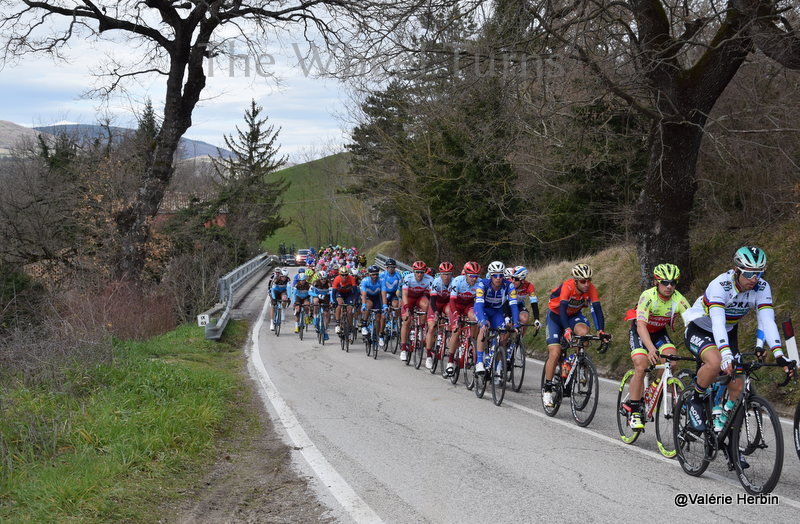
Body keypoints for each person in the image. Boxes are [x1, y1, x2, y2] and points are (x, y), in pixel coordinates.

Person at [682, 246, 795, 434]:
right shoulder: (720, 285)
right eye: (749, 273)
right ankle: (696, 399)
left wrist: (779, 354)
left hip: (728, 330)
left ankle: (727, 434)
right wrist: (725, 354)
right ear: (737, 270)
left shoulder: (762, 287)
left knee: (739, 380)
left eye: (759, 273)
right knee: (716, 362)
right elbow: (717, 321)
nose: (754, 279)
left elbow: (767, 321)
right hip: (701, 328)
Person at [622, 263, 690, 430]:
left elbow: (692, 321)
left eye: (673, 283)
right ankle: (635, 409)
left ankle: (654, 386)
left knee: (672, 361)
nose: (669, 286)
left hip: (659, 332)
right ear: (656, 282)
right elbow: (641, 326)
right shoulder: (647, 296)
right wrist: (651, 349)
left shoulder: (678, 299)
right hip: (640, 331)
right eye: (665, 282)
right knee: (641, 365)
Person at [542, 263, 608, 407]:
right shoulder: (568, 286)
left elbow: (597, 309)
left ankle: (579, 364)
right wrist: (566, 329)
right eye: (583, 281)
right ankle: (547, 390)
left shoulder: (590, 288)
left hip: (573, 316)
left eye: (588, 280)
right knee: (555, 352)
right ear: (576, 280)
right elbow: (562, 309)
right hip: (556, 316)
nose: (586, 284)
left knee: (584, 334)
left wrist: (600, 330)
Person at [474, 261, 519, 374]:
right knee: (483, 329)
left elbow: (513, 305)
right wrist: (482, 320)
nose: (498, 278)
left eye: (500, 275)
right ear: (490, 275)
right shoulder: (482, 284)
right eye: (495, 275)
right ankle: (479, 361)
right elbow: (479, 304)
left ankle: (497, 365)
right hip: (484, 309)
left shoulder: (509, 285)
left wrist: (516, 323)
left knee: (503, 336)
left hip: (497, 312)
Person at [445, 261, 482, 376]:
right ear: (465, 274)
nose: (474, 279)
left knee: (475, 319)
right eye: (471, 276)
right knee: (456, 329)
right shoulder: (457, 281)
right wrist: (456, 315)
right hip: (455, 305)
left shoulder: (480, 283)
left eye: (476, 276)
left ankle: (471, 342)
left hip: (468, 305)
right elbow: (452, 302)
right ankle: (450, 362)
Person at [399, 261, 434, 361]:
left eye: (422, 272)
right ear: (413, 271)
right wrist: (406, 309)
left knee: (426, 305)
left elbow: (432, 296)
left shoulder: (429, 279)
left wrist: (431, 312)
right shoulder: (408, 278)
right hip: (409, 298)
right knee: (406, 321)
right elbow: (404, 294)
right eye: (417, 272)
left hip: (419, 297)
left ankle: (422, 328)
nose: (420, 274)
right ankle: (403, 349)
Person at [424, 262, 454, 369]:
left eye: (449, 274)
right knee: (432, 326)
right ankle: (428, 356)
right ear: (440, 274)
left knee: (451, 316)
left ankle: (446, 335)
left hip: (446, 304)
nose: (446, 276)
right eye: (444, 274)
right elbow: (432, 301)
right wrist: (436, 312)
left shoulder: (454, 282)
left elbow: (454, 302)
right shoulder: (436, 282)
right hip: (436, 303)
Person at [507, 265, 541, 337]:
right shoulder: (509, 283)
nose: (513, 281)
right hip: (506, 305)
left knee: (525, 318)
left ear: (522, 280)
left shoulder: (529, 286)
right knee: (506, 330)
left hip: (519, 305)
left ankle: (519, 340)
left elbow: (534, 303)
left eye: (515, 279)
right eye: (512, 278)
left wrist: (536, 319)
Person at [360, 265, 384, 343]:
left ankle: (378, 336)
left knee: (378, 318)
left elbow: (383, 294)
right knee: (369, 305)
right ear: (369, 275)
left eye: (377, 274)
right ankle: (364, 324)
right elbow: (363, 294)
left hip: (377, 297)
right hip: (368, 297)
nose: (375, 276)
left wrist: (385, 305)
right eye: (373, 274)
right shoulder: (365, 281)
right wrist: (363, 304)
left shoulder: (381, 281)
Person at [332, 266, 357, 334]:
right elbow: (333, 292)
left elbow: (355, 291)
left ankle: (349, 326)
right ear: (340, 274)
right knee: (340, 304)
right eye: (342, 275)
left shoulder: (351, 278)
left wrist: (355, 301)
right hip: (339, 293)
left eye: (346, 275)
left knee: (349, 311)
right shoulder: (337, 279)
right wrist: (334, 302)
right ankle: (337, 324)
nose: (344, 276)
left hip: (348, 294)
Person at [310, 270, 331, 341]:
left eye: (325, 278)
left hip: (325, 298)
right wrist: (317, 295)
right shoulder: (315, 283)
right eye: (322, 279)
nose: (324, 280)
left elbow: (331, 293)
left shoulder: (328, 283)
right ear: (319, 278)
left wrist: (331, 301)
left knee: (326, 314)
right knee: (316, 301)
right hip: (317, 296)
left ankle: (325, 330)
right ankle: (315, 316)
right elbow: (310, 292)